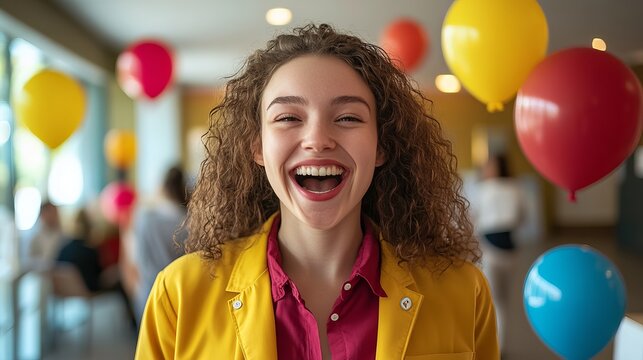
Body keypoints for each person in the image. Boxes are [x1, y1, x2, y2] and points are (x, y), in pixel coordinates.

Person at [136, 24, 499, 359]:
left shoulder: (464, 293)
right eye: (289, 118)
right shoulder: (179, 295)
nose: (318, 140)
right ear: (257, 146)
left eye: (347, 118)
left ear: (382, 146)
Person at [470, 153, 526, 353]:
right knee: (501, 301)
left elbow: (473, 218)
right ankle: (498, 345)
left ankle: (495, 346)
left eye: (489, 166)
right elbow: (522, 218)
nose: (486, 170)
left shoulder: (483, 189)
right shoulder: (516, 187)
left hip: (492, 251)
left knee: (494, 301)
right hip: (509, 249)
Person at [130, 165, 188, 325]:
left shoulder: (144, 219)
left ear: (161, 187)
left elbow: (136, 260)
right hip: (179, 295)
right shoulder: (189, 223)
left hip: (147, 292)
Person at [56, 208, 103, 292]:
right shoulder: (89, 252)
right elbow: (97, 279)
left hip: (64, 295)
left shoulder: (63, 249)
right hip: (88, 292)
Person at [28, 201, 64, 265]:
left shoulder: (64, 236)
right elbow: (29, 261)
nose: (53, 216)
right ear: (43, 214)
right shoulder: (34, 236)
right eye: (50, 212)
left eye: (55, 213)